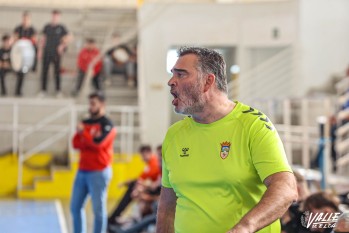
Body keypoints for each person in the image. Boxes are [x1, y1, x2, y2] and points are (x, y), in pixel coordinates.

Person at [157, 47, 298, 233]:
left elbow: (286, 189)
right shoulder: (174, 134)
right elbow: (167, 207)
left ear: (208, 81)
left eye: (181, 75)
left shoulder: (253, 125)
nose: (171, 82)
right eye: (172, 74)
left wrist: (245, 227)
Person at [70, 92, 117, 233]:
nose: (90, 107)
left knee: (98, 210)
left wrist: (84, 135)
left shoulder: (108, 125)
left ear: (102, 105)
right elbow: (75, 143)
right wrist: (87, 137)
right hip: (82, 171)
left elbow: (99, 144)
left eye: (93, 103)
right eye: (89, 103)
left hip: (99, 171)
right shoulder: (86, 123)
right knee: (75, 207)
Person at [108, 145, 161, 227]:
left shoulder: (154, 163)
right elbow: (142, 179)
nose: (142, 158)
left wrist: (141, 189)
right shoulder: (152, 165)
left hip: (157, 192)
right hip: (155, 189)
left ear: (149, 153)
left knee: (133, 188)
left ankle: (114, 217)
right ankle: (115, 216)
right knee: (133, 187)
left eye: (143, 155)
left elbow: (145, 181)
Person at [38, 9, 69, 97]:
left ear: (59, 17)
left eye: (57, 16)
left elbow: (68, 37)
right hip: (47, 52)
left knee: (57, 72)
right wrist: (40, 50)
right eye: (54, 16)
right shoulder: (47, 27)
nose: (55, 18)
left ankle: (58, 90)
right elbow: (43, 38)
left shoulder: (62, 27)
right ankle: (43, 90)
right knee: (44, 71)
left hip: (56, 54)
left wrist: (62, 46)